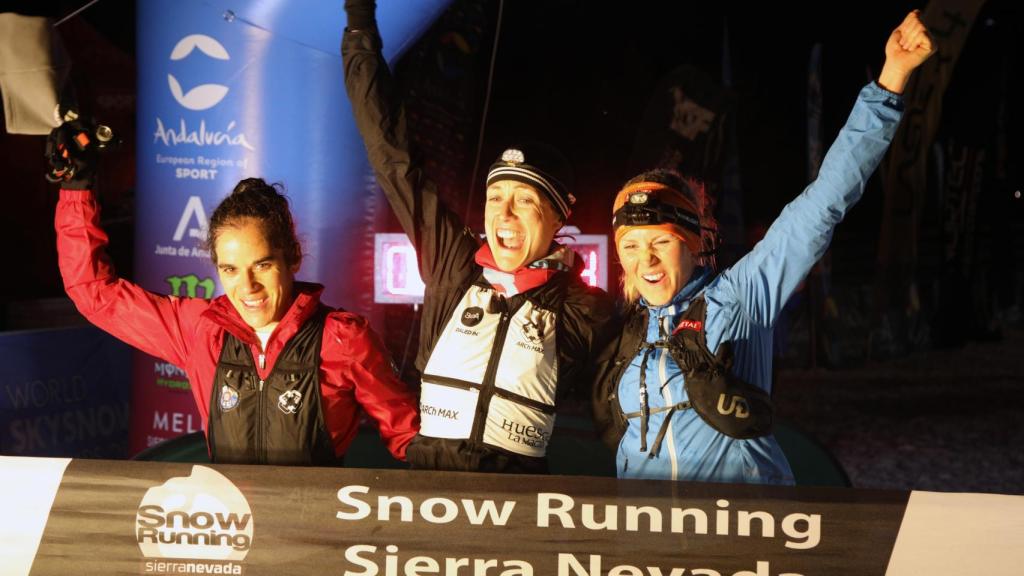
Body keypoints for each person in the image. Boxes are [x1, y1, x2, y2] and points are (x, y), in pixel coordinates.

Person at [592, 10, 936, 484]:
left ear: (692, 245)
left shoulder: (738, 295)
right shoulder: (628, 335)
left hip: (745, 538)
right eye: (630, 246)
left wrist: (890, 80)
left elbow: (823, 203)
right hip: (653, 546)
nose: (644, 259)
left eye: (660, 242)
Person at [342, 0, 615, 473]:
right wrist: (360, 31)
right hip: (431, 488)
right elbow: (393, 155)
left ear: (557, 220)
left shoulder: (582, 308)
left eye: (524, 200)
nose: (504, 214)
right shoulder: (454, 261)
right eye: (495, 197)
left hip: (515, 502)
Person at [50, 127, 419, 466]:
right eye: (230, 269)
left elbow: (409, 438)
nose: (247, 287)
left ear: (293, 258)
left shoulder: (342, 339)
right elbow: (94, 292)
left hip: (311, 535)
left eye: (261, 265)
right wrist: (76, 189)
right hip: (231, 531)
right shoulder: (201, 330)